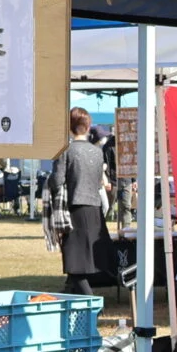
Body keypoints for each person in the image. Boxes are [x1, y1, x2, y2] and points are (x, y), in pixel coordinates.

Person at [54, 107, 112, 296]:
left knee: (75, 265)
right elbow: (98, 180)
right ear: (88, 127)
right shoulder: (97, 152)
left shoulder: (66, 151)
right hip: (95, 208)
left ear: (69, 127)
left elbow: (57, 181)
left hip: (75, 209)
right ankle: (80, 302)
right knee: (89, 262)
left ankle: (93, 305)